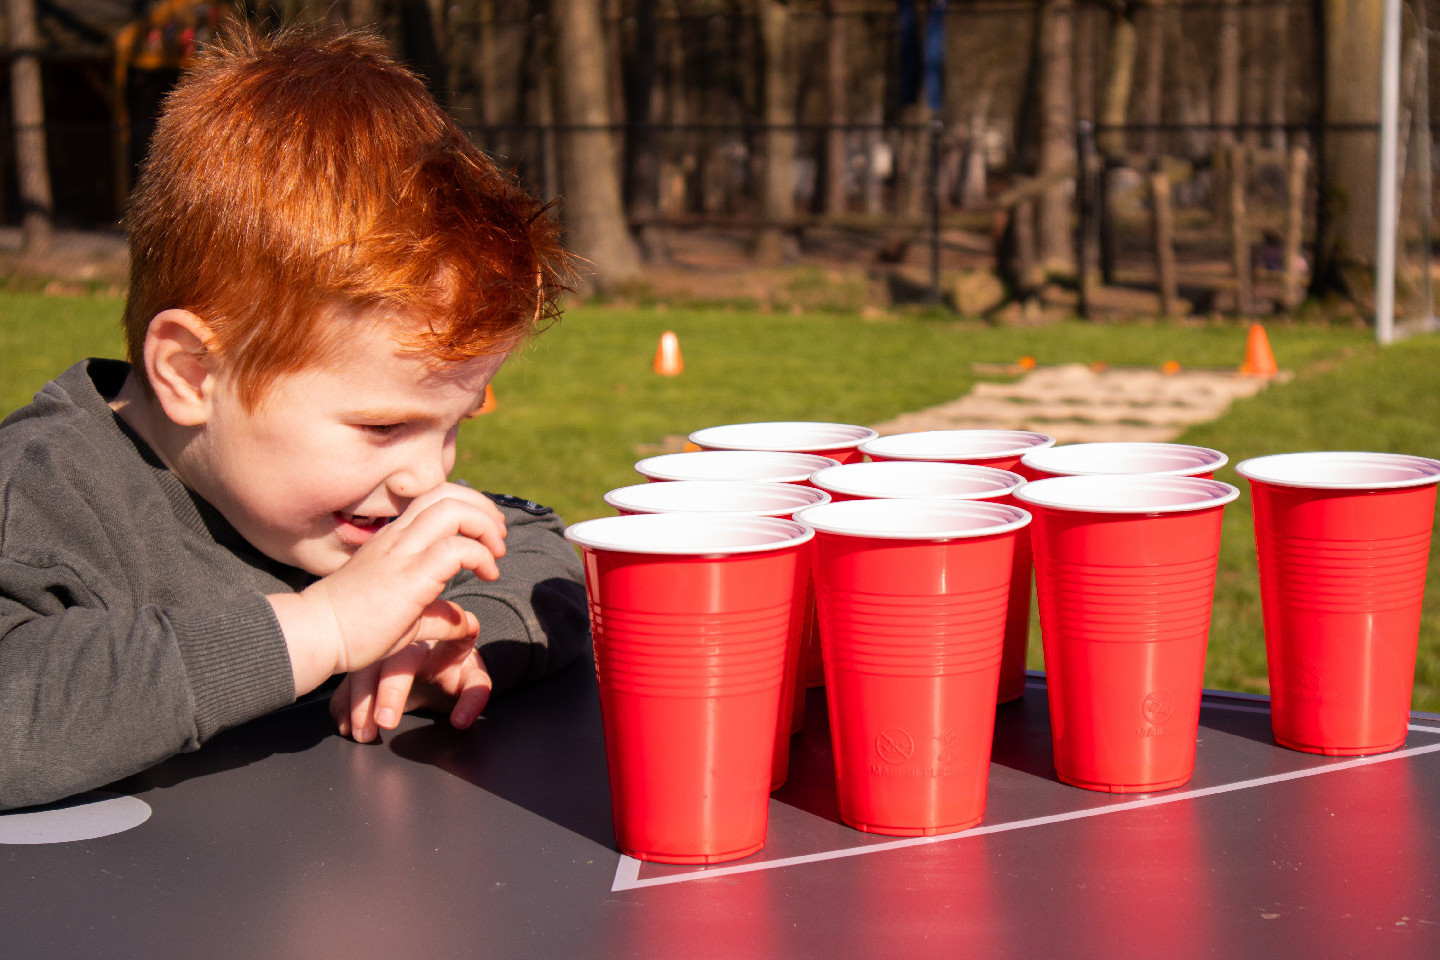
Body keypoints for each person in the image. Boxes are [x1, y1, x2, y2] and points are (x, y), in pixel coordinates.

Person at [0, 22, 589, 810]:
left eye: (451, 427)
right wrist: (322, 631)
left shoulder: (338, 502)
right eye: (384, 428)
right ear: (190, 372)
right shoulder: (46, 497)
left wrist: (451, 629)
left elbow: (548, 556)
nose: (428, 475)